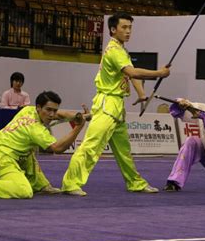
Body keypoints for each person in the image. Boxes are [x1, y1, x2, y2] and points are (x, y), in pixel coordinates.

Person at [61, 12, 170, 196]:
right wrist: (159, 73)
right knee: (91, 145)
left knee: (123, 151)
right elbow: (133, 72)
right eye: (124, 27)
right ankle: (70, 183)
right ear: (113, 29)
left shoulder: (121, 50)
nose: (128, 31)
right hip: (107, 105)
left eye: (130, 28)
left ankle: (135, 183)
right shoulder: (114, 51)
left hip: (117, 107)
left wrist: (141, 93)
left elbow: (128, 74)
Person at [0, 91, 87, 199]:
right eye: (48, 110)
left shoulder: (28, 110)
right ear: (39, 107)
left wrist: (79, 116)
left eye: (54, 110)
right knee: (24, 190)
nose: (51, 115)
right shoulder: (36, 129)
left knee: (27, 152)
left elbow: (59, 114)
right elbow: (57, 148)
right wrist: (78, 127)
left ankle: (41, 185)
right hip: (0, 160)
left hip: (12, 155)